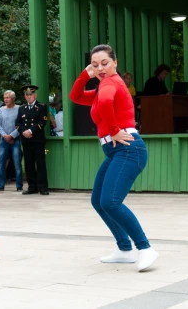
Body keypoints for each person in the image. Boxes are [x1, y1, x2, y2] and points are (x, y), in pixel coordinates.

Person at [70, 44, 159, 272]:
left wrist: (111, 129)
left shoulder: (111, 83)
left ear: (115, 63)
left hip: (128, 149)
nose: (100, 68)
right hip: (115, 150)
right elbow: (75, 96)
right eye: (95, 64)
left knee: (110, 201)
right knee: (98, 200)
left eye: (105, 63)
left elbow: (109, 103)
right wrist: (85, 74)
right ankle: (124, 249)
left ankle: (145, 248)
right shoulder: (101, 87)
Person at [16, 85, 49, 195]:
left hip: (37, 139)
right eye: (27, 95)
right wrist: (24, 132)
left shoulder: (41, 107)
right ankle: (32, 187)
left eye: (31, 95)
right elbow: (17, 123)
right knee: (28, 164)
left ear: (35, 95)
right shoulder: (22, 108)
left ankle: (43, 188)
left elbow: (42, 122)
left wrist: (30, 131)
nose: (29, 97)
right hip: (26, 140)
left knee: (40, 163)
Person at [0, 90, 23, 192]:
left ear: (13, 98)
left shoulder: (19, 109)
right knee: (1, 163)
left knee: (17, 163)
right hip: (3, 139)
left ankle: (19, 185)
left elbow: (21, 125)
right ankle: (0, 185)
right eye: (5, 97)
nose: (6, 99)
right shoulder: (1, 110)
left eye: (8, 97)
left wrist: (12, 136)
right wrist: (6, 136)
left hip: (16, 139)